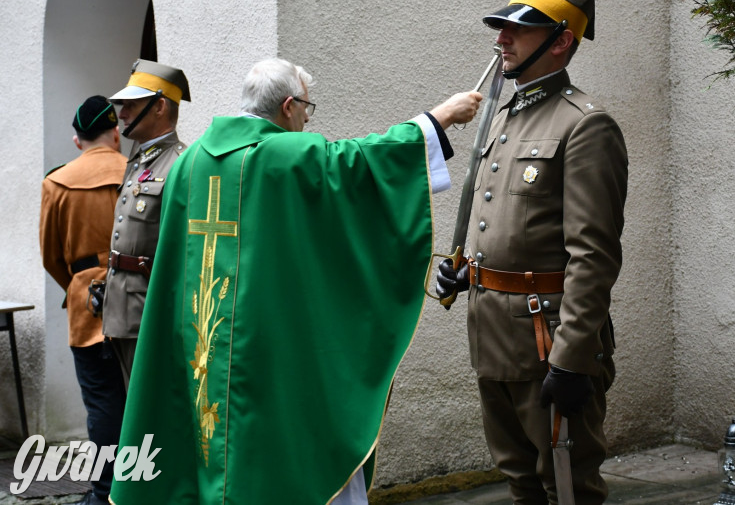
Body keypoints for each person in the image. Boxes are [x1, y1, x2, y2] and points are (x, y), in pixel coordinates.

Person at [109, 58, 482, 505]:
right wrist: (439, 117)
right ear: (288, 106)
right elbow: (364, 163)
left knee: (207, 454)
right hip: (268, 356)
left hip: (199, 346)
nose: (308, 118)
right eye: (307, 107)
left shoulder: (191, 160)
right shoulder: (287, 156)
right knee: (276, 457)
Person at [435, 0, 628, 504]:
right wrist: (464, 271)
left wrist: (571, 359)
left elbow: (593, 257)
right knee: (520, 483)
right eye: (501, 27)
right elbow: (509, 226)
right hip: (494, 335)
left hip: (547, 343)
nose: (502, 39)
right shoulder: (505, 117)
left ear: (561, 41)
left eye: (517, 29)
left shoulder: (584, 125)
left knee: (568, 486)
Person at [39, 96, 128, 505]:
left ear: (77, 140)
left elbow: (51, 256)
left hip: (86, 307)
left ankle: (105, 492)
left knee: (102, 403)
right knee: (144, 396)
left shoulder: (57, 182)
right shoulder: (139, 174)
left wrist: (80, 284)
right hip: (141, 299)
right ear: (115, 134)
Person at [102, 59, 191, 388]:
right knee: (134, 407)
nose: (121, 114)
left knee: (152, 408)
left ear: (160, 106)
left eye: (130, 105)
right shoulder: (139, 159)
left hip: (150, 309)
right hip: (123, 306)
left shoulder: (180, 163)